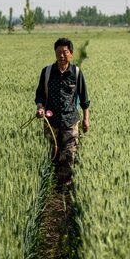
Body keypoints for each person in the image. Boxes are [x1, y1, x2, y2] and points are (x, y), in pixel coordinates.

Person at [34, 37, 90, 186]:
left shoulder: (76, 73)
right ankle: (51, 183)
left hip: (71, 121)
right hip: (51, 122)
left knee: (69, 154)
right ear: (55, 53)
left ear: (71, 53)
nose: (61, 55)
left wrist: (86, 119)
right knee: (52, 154)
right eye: (58, 52)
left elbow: (84, 99)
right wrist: (40, 108)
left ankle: (64, 186)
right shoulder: (46, 72)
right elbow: (39, 95)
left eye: (65, 52)